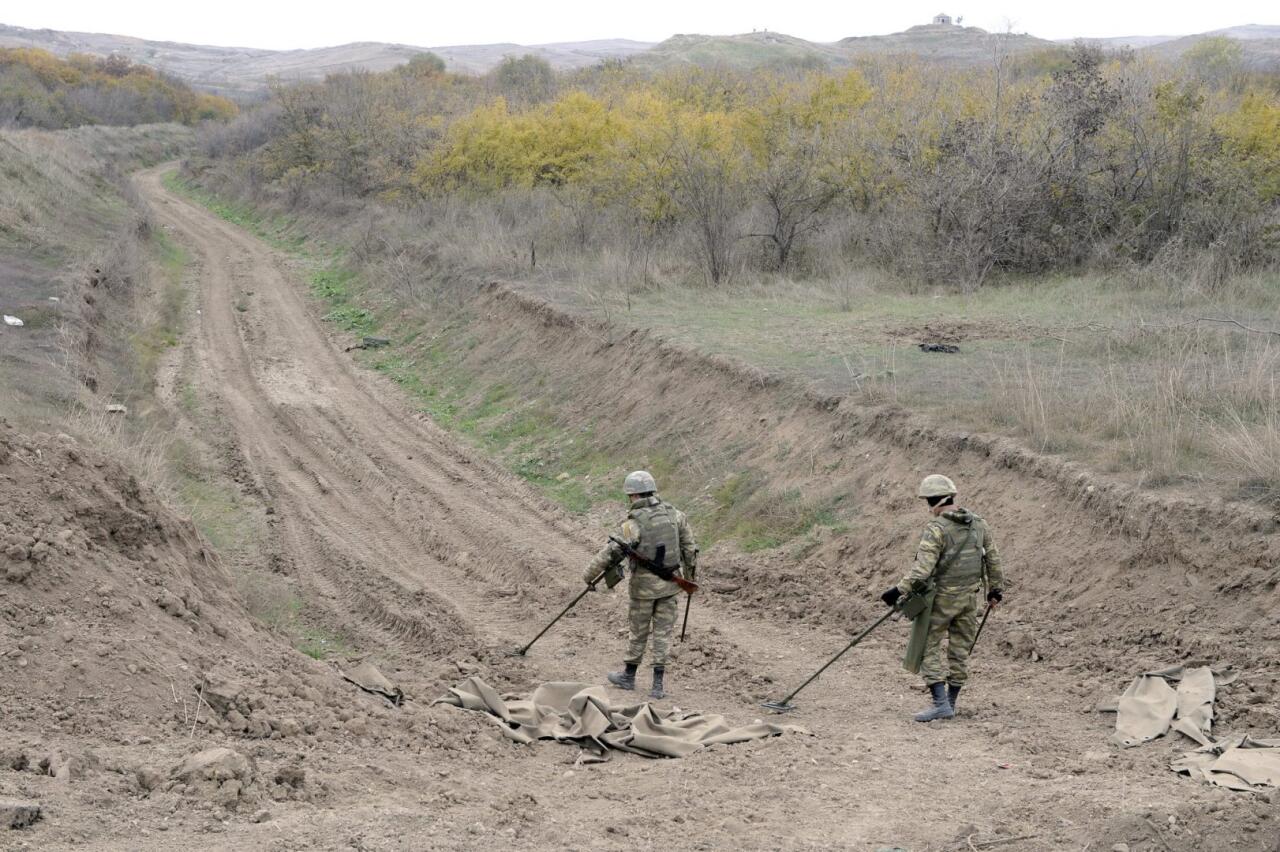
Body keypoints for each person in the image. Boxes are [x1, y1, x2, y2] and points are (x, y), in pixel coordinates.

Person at [880, 474, 1004, 722]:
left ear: (933, 501)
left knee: (927, 647)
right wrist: (995, 591)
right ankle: (951, 702)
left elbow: (921, 571)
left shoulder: (936, 529)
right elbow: (993, 560)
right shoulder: (979, 524)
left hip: (941, 601)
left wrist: (897, 590)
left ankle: (940, 704)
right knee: (960, 650)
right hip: (970, 599)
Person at [583, 470, 697, 700]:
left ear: (632, 496)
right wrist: (690, 578)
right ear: (653, 491)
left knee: (639, 633)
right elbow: (690, 550)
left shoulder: (632, 524)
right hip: (671, 585)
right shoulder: (676, 515)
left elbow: (611, 552)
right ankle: (657, 685)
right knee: (663, 634)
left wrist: (589, 575)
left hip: (643, 589)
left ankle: (628, 676)